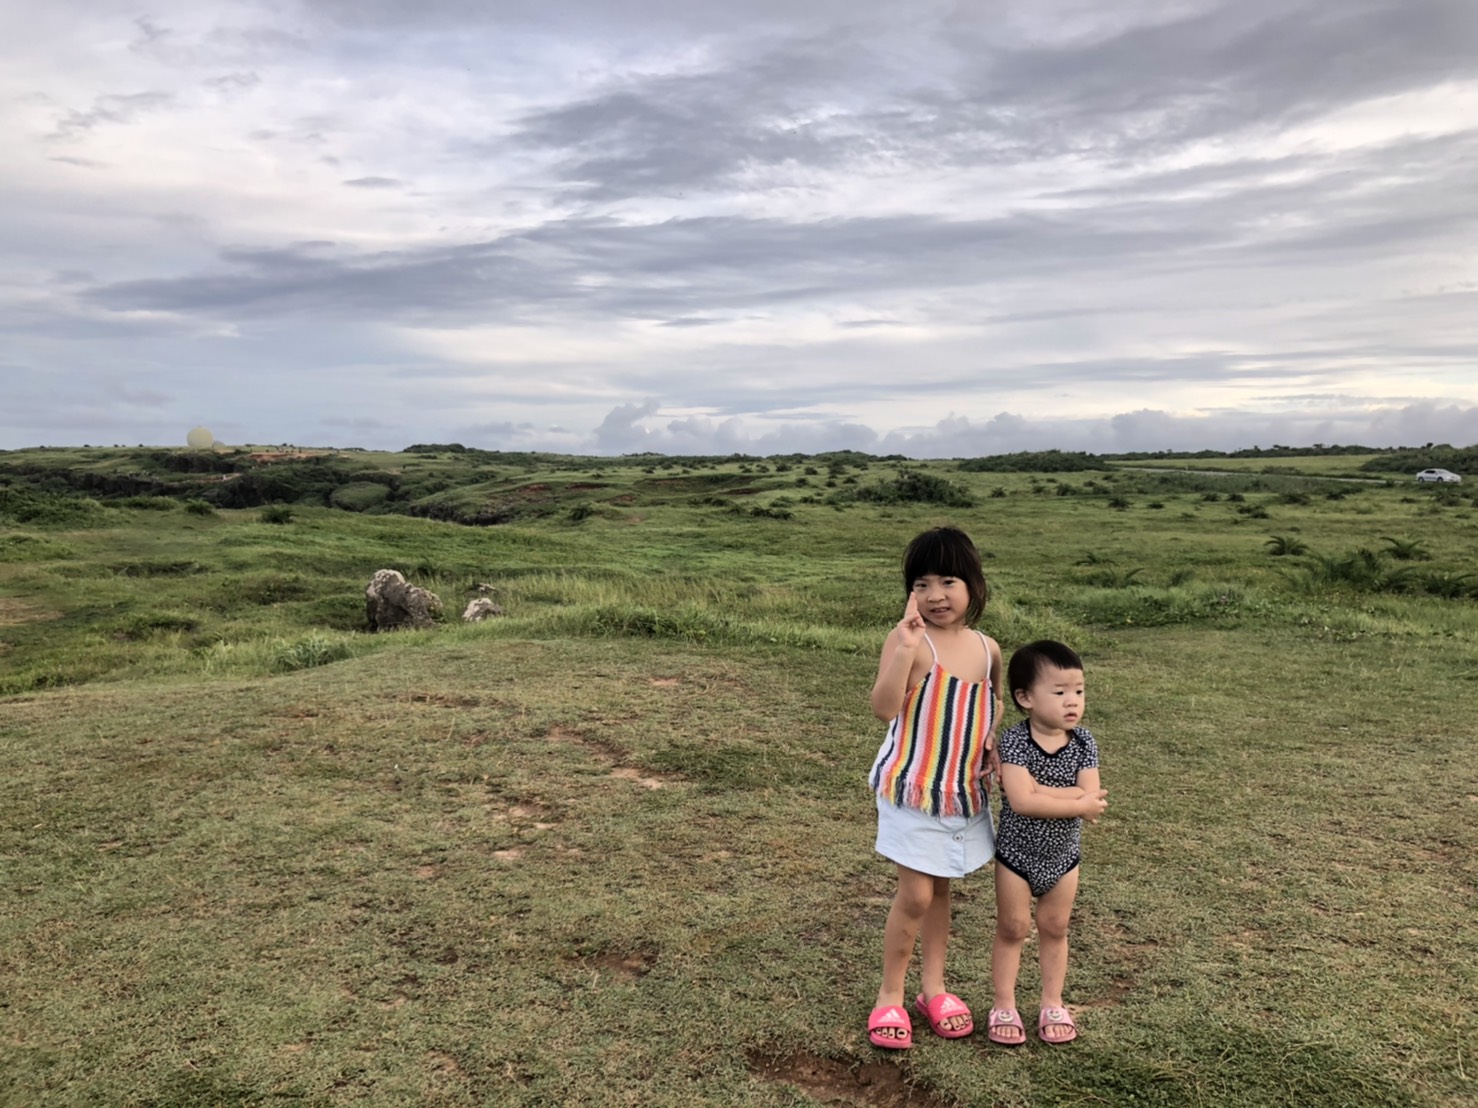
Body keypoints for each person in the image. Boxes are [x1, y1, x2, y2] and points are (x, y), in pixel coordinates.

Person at [865, 526, 1003, 1049]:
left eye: (949, 581)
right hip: (912, 787)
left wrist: (992, 740)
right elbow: (883, 707)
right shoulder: (911, 641)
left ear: (973, 586)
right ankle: (889, 995)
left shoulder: (988, 649)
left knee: (941, 889)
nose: (935, 595)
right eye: (922, 583)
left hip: (962, 792)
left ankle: (934, 988)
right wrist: (902, 649)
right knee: (916, 893)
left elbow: (990, 705)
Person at [987, 640, 1108, 1046]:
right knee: (1012, 927)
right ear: (1025, 697)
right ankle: (1004, 1004)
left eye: (1079, 690)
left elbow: (1093, 799)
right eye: (1059, 692)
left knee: (1055, 927)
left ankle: (1052, 1003)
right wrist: (1073, 800)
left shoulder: (1084, 741)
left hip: (1064, 858)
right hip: (1016, 856)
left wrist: (1046, 793)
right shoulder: (1016, 741)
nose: (1072, 701)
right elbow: (1022, 802)